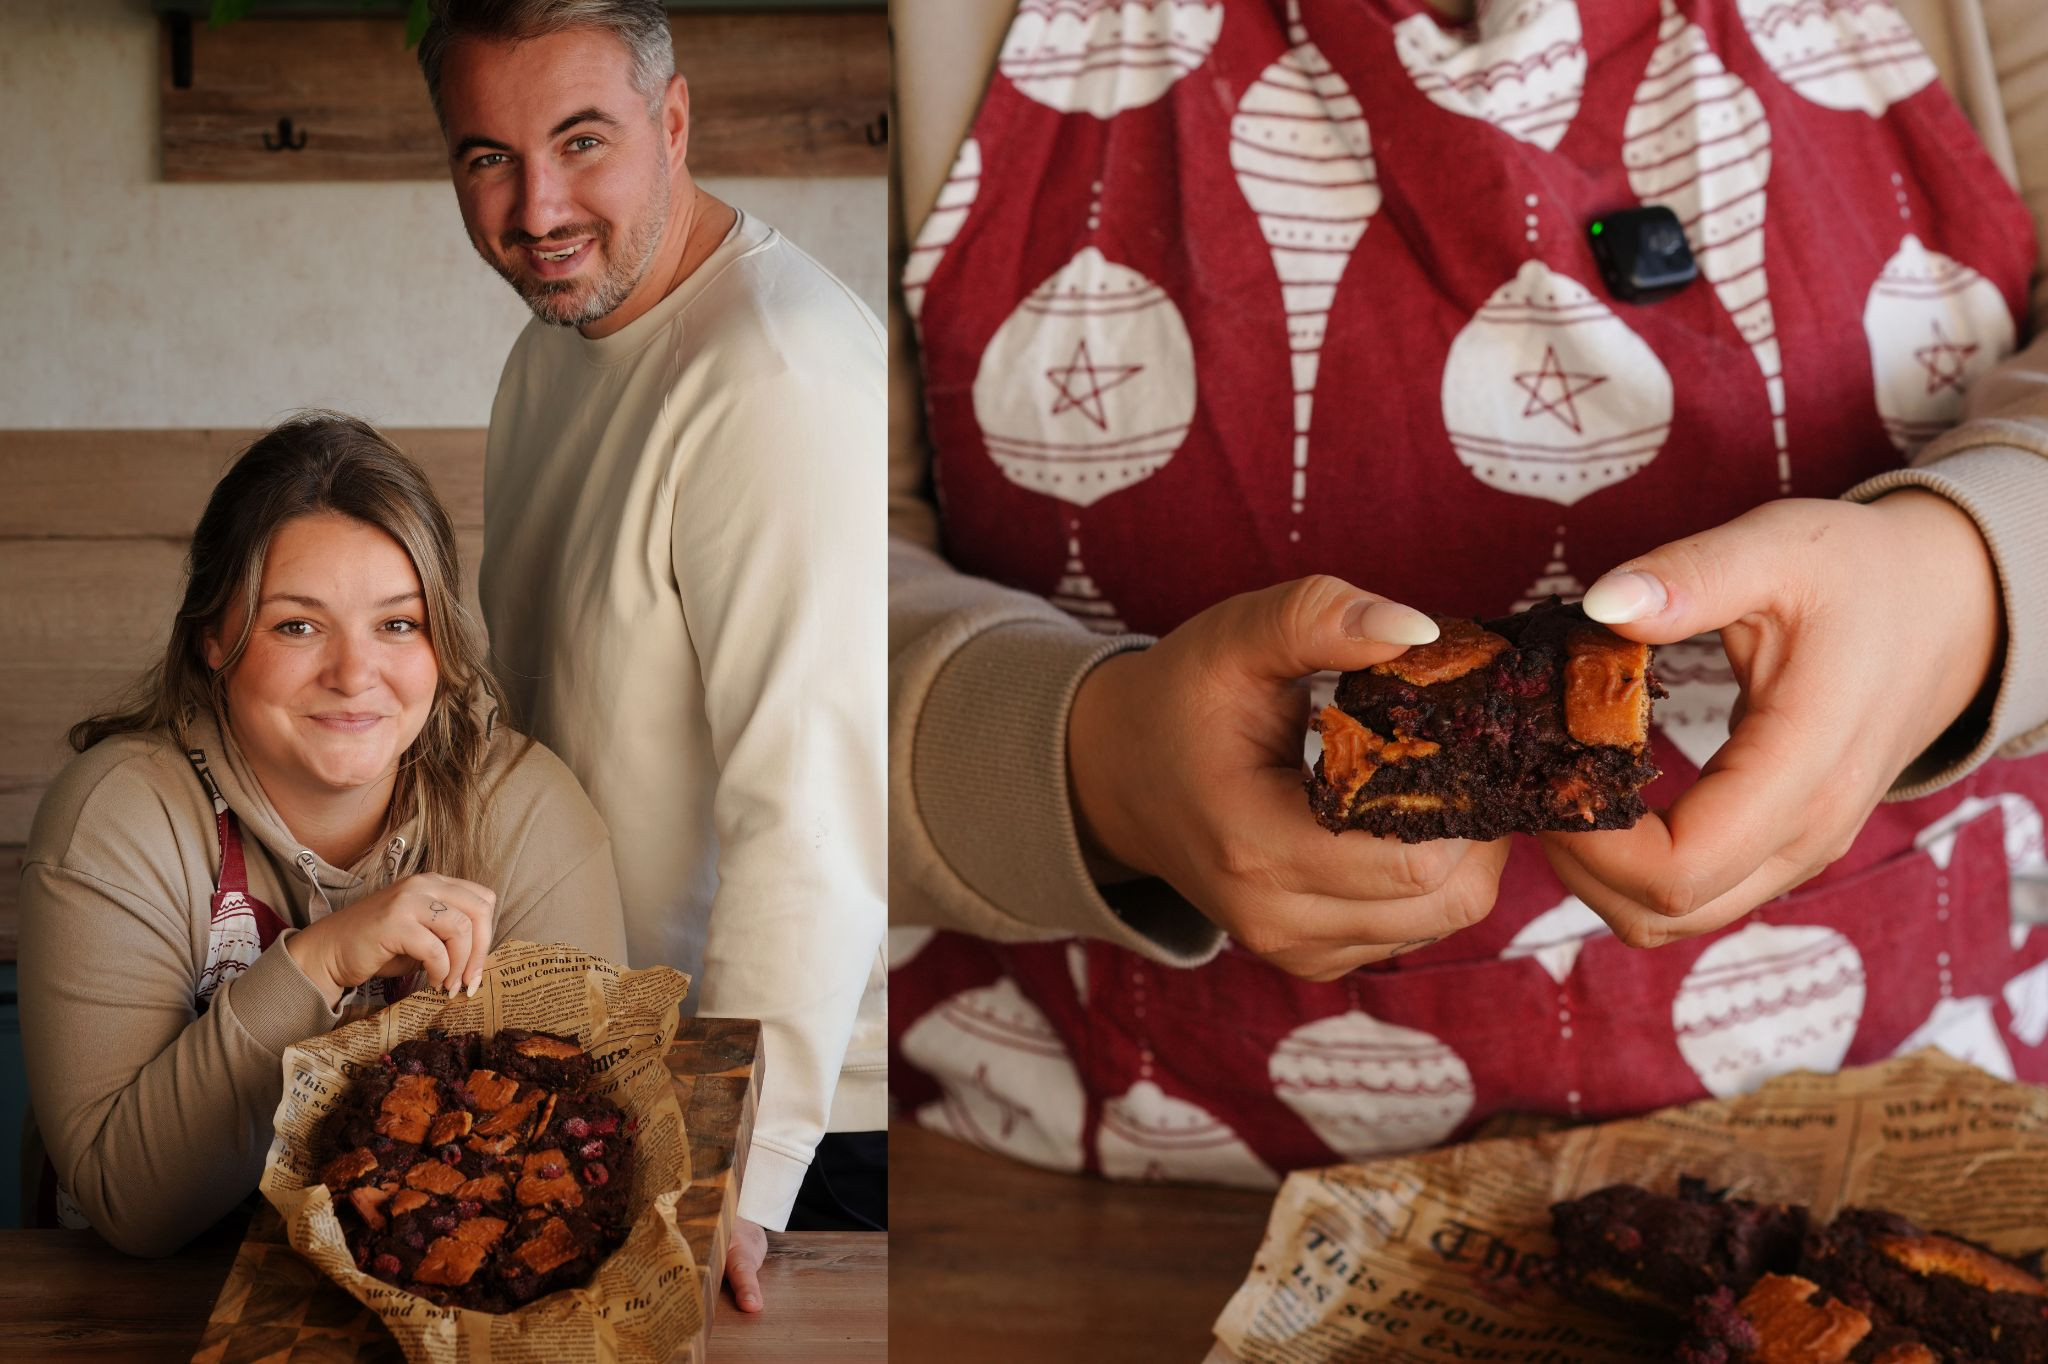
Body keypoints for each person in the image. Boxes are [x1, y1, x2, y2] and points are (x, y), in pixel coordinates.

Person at [890, 0, 2048, 1183]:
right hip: (1091, 1194)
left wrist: (1967, 577)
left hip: (1913, 1146)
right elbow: (761, 588)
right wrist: (1089, 759)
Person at [415, 0, 888, 1308]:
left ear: (674, 123)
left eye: (582, 142)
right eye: (486, 157)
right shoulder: (544, 350)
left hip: (796, 1131)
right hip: (611, 1088)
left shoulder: (774, 373)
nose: (536, 209)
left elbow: (814, 814)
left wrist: (736, 1155)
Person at [18, 412, 629, 1256]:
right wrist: (322, 961)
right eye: (297, 625)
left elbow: (574, 1161)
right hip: (139, 1305)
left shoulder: (523, 810)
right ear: (213, 636)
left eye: (398, 624)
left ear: (443, 645)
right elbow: (129, 1201)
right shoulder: (122, 817)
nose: (353, 675)